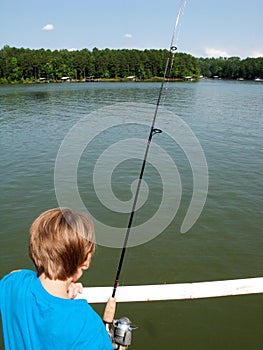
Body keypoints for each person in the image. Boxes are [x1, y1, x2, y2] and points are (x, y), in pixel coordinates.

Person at [0, 208, 114, 349]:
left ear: (33, 250)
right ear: (86, 262)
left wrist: (63, 284)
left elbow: (16, 274)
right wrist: (66, 285)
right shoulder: (87, 325)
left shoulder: (13, 285)